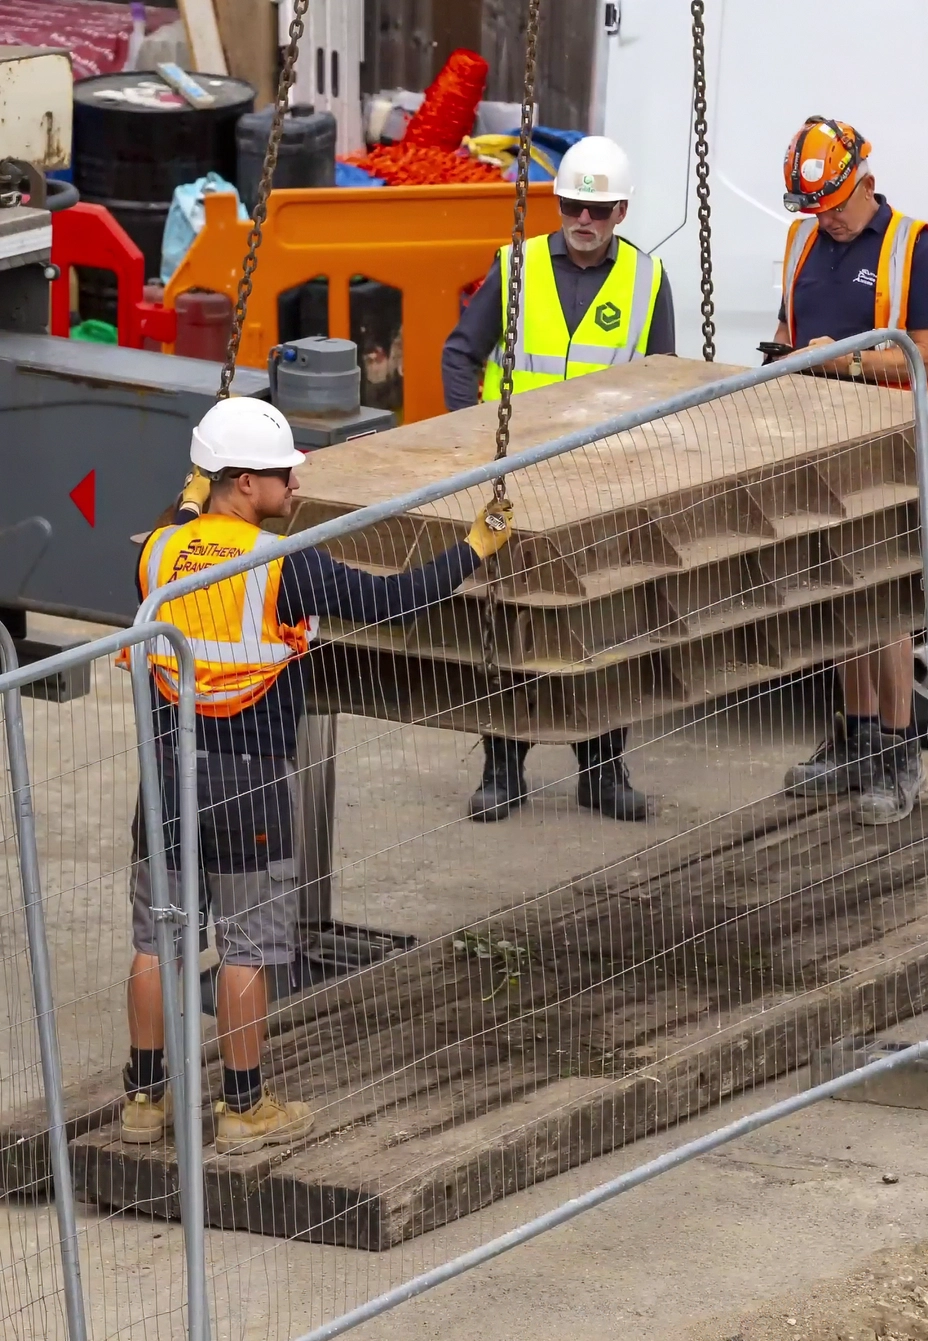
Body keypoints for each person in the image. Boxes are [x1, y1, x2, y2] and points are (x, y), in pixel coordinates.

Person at [121, 397, 514, 1154]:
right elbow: (393, 601)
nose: (294, 486)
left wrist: (194, 496)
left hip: (165, 769)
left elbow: (177, 523)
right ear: (241, 483)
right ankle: (241, 1109)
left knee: (156, 939)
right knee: (245, 946)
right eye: (279, 475)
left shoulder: (159, 552)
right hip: (251, 777)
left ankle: (143, 1102)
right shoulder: (284, 563)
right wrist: (473, 548)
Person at [442, 134, 676, 825]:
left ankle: (602, 771)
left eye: (598, 210)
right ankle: (502, 769)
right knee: (508, 623)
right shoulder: (514, 267)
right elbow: (462, 354)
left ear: (621, 212)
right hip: (514, 477)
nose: (583, 220)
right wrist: (472, 435)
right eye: (573, 205)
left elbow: (664, 384)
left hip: (603, 482)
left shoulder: (647, 280)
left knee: (603, 627)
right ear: (557, 202)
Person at [771, 117, 928, 825]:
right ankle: (855, 737)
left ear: (867, 183)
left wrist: (843, 357)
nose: (829, 222)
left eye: (837, 207)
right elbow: (791, 331)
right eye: (817, 210)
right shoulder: (802, 241)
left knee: (884, 600)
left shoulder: (914, 247)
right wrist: (785, 356)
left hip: (892, 445)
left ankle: (899, 754)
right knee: (841, 593)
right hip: (824, 440)